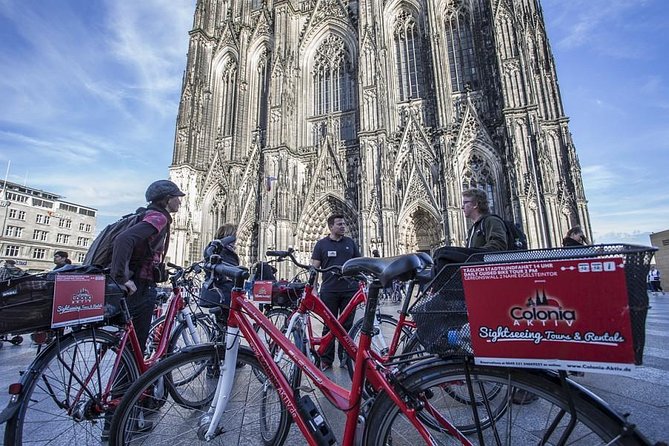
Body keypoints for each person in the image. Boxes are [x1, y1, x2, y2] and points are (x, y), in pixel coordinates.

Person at [110, 179, 185, 351]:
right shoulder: (158, 217)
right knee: (137, 342)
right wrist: (121, 277)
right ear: (167, 199)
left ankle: (131, 373)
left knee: (133, 341)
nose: (179, 201)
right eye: (176, 197)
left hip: (140, 283)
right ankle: (131, 377)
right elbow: (124, 239)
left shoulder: (148, 214)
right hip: (140, 286)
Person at [311, 214, 360, 370]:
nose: (343, 226)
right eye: (340, 224)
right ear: (331, 227)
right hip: (329, 290)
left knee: (347, 327)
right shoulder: (321, 245)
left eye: (344, 223)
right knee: (329, 325)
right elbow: (314, 268)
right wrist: (313, 289)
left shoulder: (350, 243)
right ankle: (326, 360)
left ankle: (344, 358)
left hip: (349, 290)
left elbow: (358, 263)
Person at [432, 188, 508, 273]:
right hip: (475, 270)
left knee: (443, 253)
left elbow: (499, 247)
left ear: (475, 204)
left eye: (465, 202)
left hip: (489, 269)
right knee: (439, 254)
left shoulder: (491, 221)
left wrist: (471, 254)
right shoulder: (473, 229)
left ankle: (443, 285)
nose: (462, 207)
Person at [200, 223, 240, 311]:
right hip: (221, 294)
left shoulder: (217, 248)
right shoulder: (220, 250)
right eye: (234, 237)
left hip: (217, 294)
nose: (235, 240)